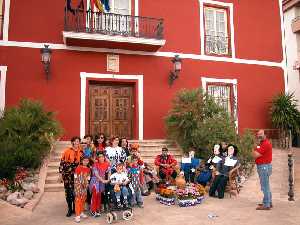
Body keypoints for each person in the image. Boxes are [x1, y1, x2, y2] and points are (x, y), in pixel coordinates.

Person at [59, 136, 83, 217]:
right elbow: (62, 163)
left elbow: (83, 164)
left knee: (76, 193)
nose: (77, 143)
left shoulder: (81, 152)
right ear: (72, 142)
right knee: (68, 193)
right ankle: (69, 208)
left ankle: (75, 208)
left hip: (78, 176)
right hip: (68, 176)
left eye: (78, 141)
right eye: (75, 141)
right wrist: (60, 174)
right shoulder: (67, 151)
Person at [252, 129, 273, 210]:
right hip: (264, 166)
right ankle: (268, 202)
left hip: (264, 167)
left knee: (264, 186)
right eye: (258, 134)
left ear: (265, 135)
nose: (259, 136)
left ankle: (266, 204)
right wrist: (256, 147)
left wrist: (253, 149)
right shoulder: (262, 143)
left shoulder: (265, 144)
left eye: (261, 134)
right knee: (266, 185)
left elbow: (255, 155)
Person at [89, 152, 110, 217]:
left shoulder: (107, 164)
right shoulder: (95, 164)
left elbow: (109, 172)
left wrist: (108, 179)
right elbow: (96, 174)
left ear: (104, 157)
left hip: (102, 182)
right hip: (95, 181)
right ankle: (93, 210)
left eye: (102, 156)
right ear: (97, 158)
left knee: (99, 196)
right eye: (99, 157)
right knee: (95, 195)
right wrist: (103, 180)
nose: (101, 158)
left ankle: (97, 209)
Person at [74, 157, 91, 223]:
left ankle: (81, 212)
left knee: (83, 199)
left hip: (85, 186)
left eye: (87, 161)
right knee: (78, 200)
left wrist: (86, 184)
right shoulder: (78, 168)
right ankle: (77, 215)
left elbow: (88, 178)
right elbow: (75, 177)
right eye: (84, 160)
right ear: (82, 161)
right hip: (78, 186)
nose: (86, 162)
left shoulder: (88, 169)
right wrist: (78, 185)